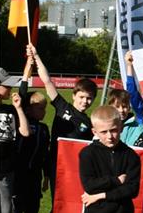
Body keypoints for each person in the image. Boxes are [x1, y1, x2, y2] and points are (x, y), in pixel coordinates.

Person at [29, 44, 97, 197]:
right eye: (81, 97)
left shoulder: (91, 123)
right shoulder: (62, 106)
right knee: (57, 203)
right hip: (56, 165)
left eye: (89, 98)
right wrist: (36, 56)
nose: (85, 101)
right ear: (74, 95)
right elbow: (47, 81)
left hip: (75, 168)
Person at [0, 67, 30, 213]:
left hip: (5, 171)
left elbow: (25, 132)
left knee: (7, 212)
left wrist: (18, 108)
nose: (9, 88)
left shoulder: (10, 110)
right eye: (5, 85)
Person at [15, 81, 49, 213]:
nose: (44, 112)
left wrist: (46, 177)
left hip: (35, 178)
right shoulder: (20, 122)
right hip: (18, 176)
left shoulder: (44, 129)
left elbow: (45, 156)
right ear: (28, 109)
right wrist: (28, 69)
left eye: (44, 108)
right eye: (40, 108)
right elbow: (21, 94)